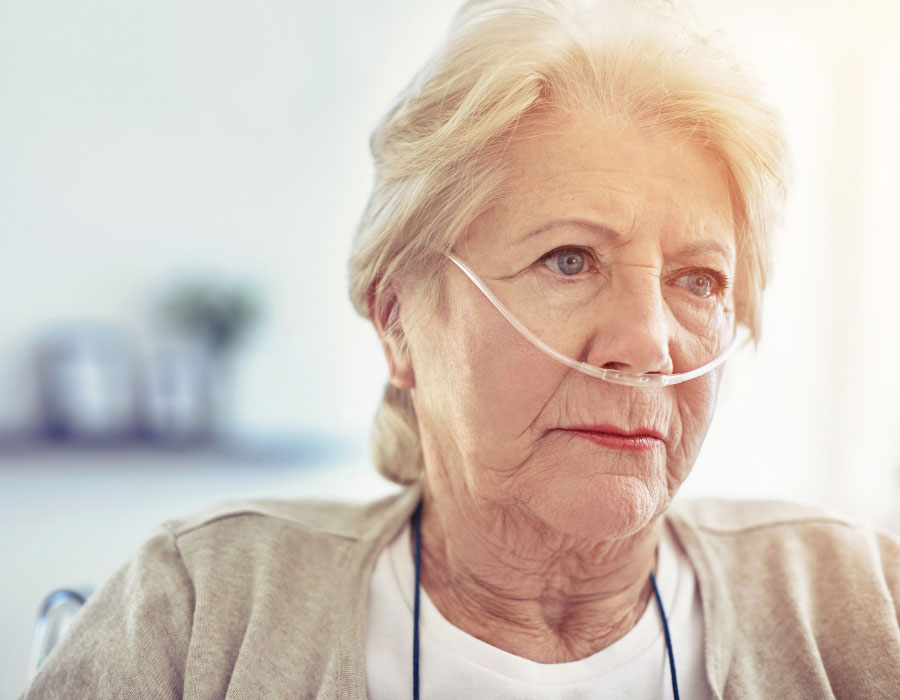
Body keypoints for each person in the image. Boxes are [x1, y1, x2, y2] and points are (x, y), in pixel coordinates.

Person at [22, 0, 900, 698]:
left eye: (699, 280)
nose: (648, 342)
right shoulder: (198, 612)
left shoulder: (859, 606)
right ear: (399, 320)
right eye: (569, 259)